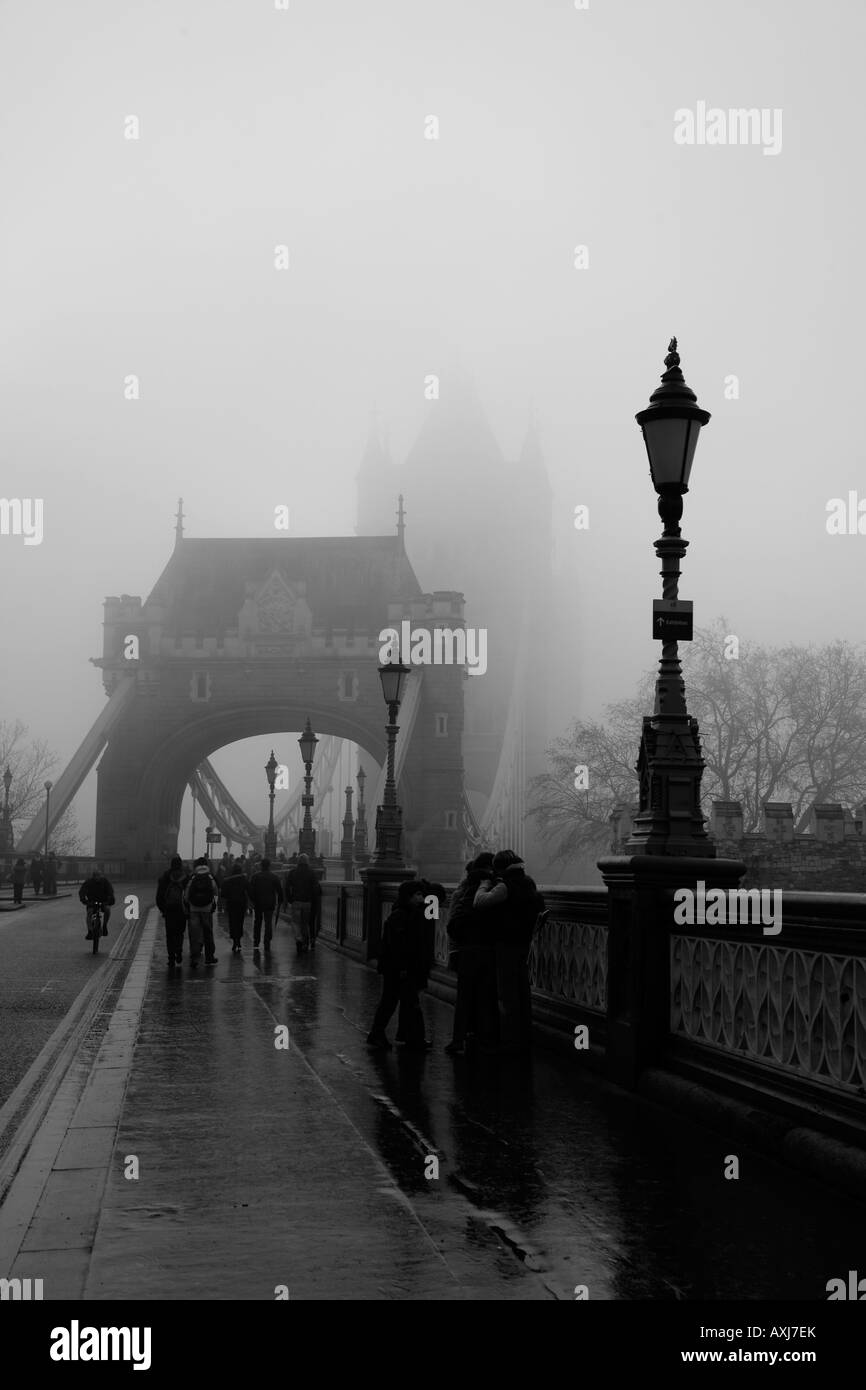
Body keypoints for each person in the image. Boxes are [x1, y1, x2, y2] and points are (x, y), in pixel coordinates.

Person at [474, 850, 545, 1054]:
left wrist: (484, 884)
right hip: (524, 943)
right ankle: (524, 1037)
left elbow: (480, 902)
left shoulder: (505, 886)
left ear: (500, 868)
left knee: (507, 995)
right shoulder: (529, 883)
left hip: (505, 944)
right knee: (523, 992)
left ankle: (510, 1041)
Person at [367, 879, 434, 1052]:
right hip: (398, 968)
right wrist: (403, 968)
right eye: (418, 894)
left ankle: (408, 1036)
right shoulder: (401, 915)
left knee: (405, 1002)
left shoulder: (410, 911)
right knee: (394, 1002)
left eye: (422, 894)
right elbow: (398, 946)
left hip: (402, 967)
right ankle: (381, 1034)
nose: (422, 898)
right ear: (409, 896)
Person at [444, 852, 498, 1056]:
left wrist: (453, 951)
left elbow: (452, 922)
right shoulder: (494, 887)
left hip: (464, 949)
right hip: (486, 948)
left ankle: (458, 1039)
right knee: (486, 996)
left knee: (464, 997)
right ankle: (486, 1040)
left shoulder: (462, 889)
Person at [183, 856, 219, 967]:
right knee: (208, 933)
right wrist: (213, 904)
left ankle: (195, 958)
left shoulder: (193, 877)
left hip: (194, 908)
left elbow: (186, 894)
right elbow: (216, 892)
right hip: (207, 909)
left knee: (194, 934)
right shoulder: (210, 876)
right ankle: (209, 957)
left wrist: (188, 905)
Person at [283, 853, 321, 955]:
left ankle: (299, 940)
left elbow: (287, 887)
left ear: (298, 861)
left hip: (296, 901)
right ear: (307, 861)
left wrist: (290, 899)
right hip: (307, 902)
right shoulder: (312, 873)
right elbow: (315, 888)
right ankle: (306, 942)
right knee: (305, 924)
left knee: (295, 923)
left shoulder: (293, 872)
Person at [156, 855, 189, 969]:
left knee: (170, 934)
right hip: (181, 910)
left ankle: (171, 958)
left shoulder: (165, 877)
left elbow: (159, 896)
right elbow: (189, 894)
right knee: (180, 933)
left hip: (169, 910)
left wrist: (163, 909)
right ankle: (179, 952)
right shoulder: (186, 877)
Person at [248, 857, 284, 954]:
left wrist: (253, 899)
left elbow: (250, 890)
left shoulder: (255, 876)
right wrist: (281, 900)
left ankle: (256, 942)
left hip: (258, 903)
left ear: (261, 866)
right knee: (268, 923)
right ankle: (267, 942)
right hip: (269, 903)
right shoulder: (274, 877)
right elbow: (280, 891)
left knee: (257, 922)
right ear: (269, 866)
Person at [220, 860, 252, 954]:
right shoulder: (244, 879)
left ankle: (235, 941)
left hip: (231, 904)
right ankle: (238, 940)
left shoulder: (228, 881)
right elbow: (250, 890)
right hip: (241, 904)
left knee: (232, 922)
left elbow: (223, 894)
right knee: (240, 922)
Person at [79, 865, 116, 940]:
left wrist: (109, 901)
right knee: (89, 912)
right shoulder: (88, 882)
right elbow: (82, 892)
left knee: (107, 910)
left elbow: (110, 892)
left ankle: (104, 926)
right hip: (92, 903)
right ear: (93, 877)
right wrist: (85, 901)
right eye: (95, 876)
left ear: (101, 876)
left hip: (103, 902)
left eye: (99, 876)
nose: (97, 878)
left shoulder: (105, 882)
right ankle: (90, 931)